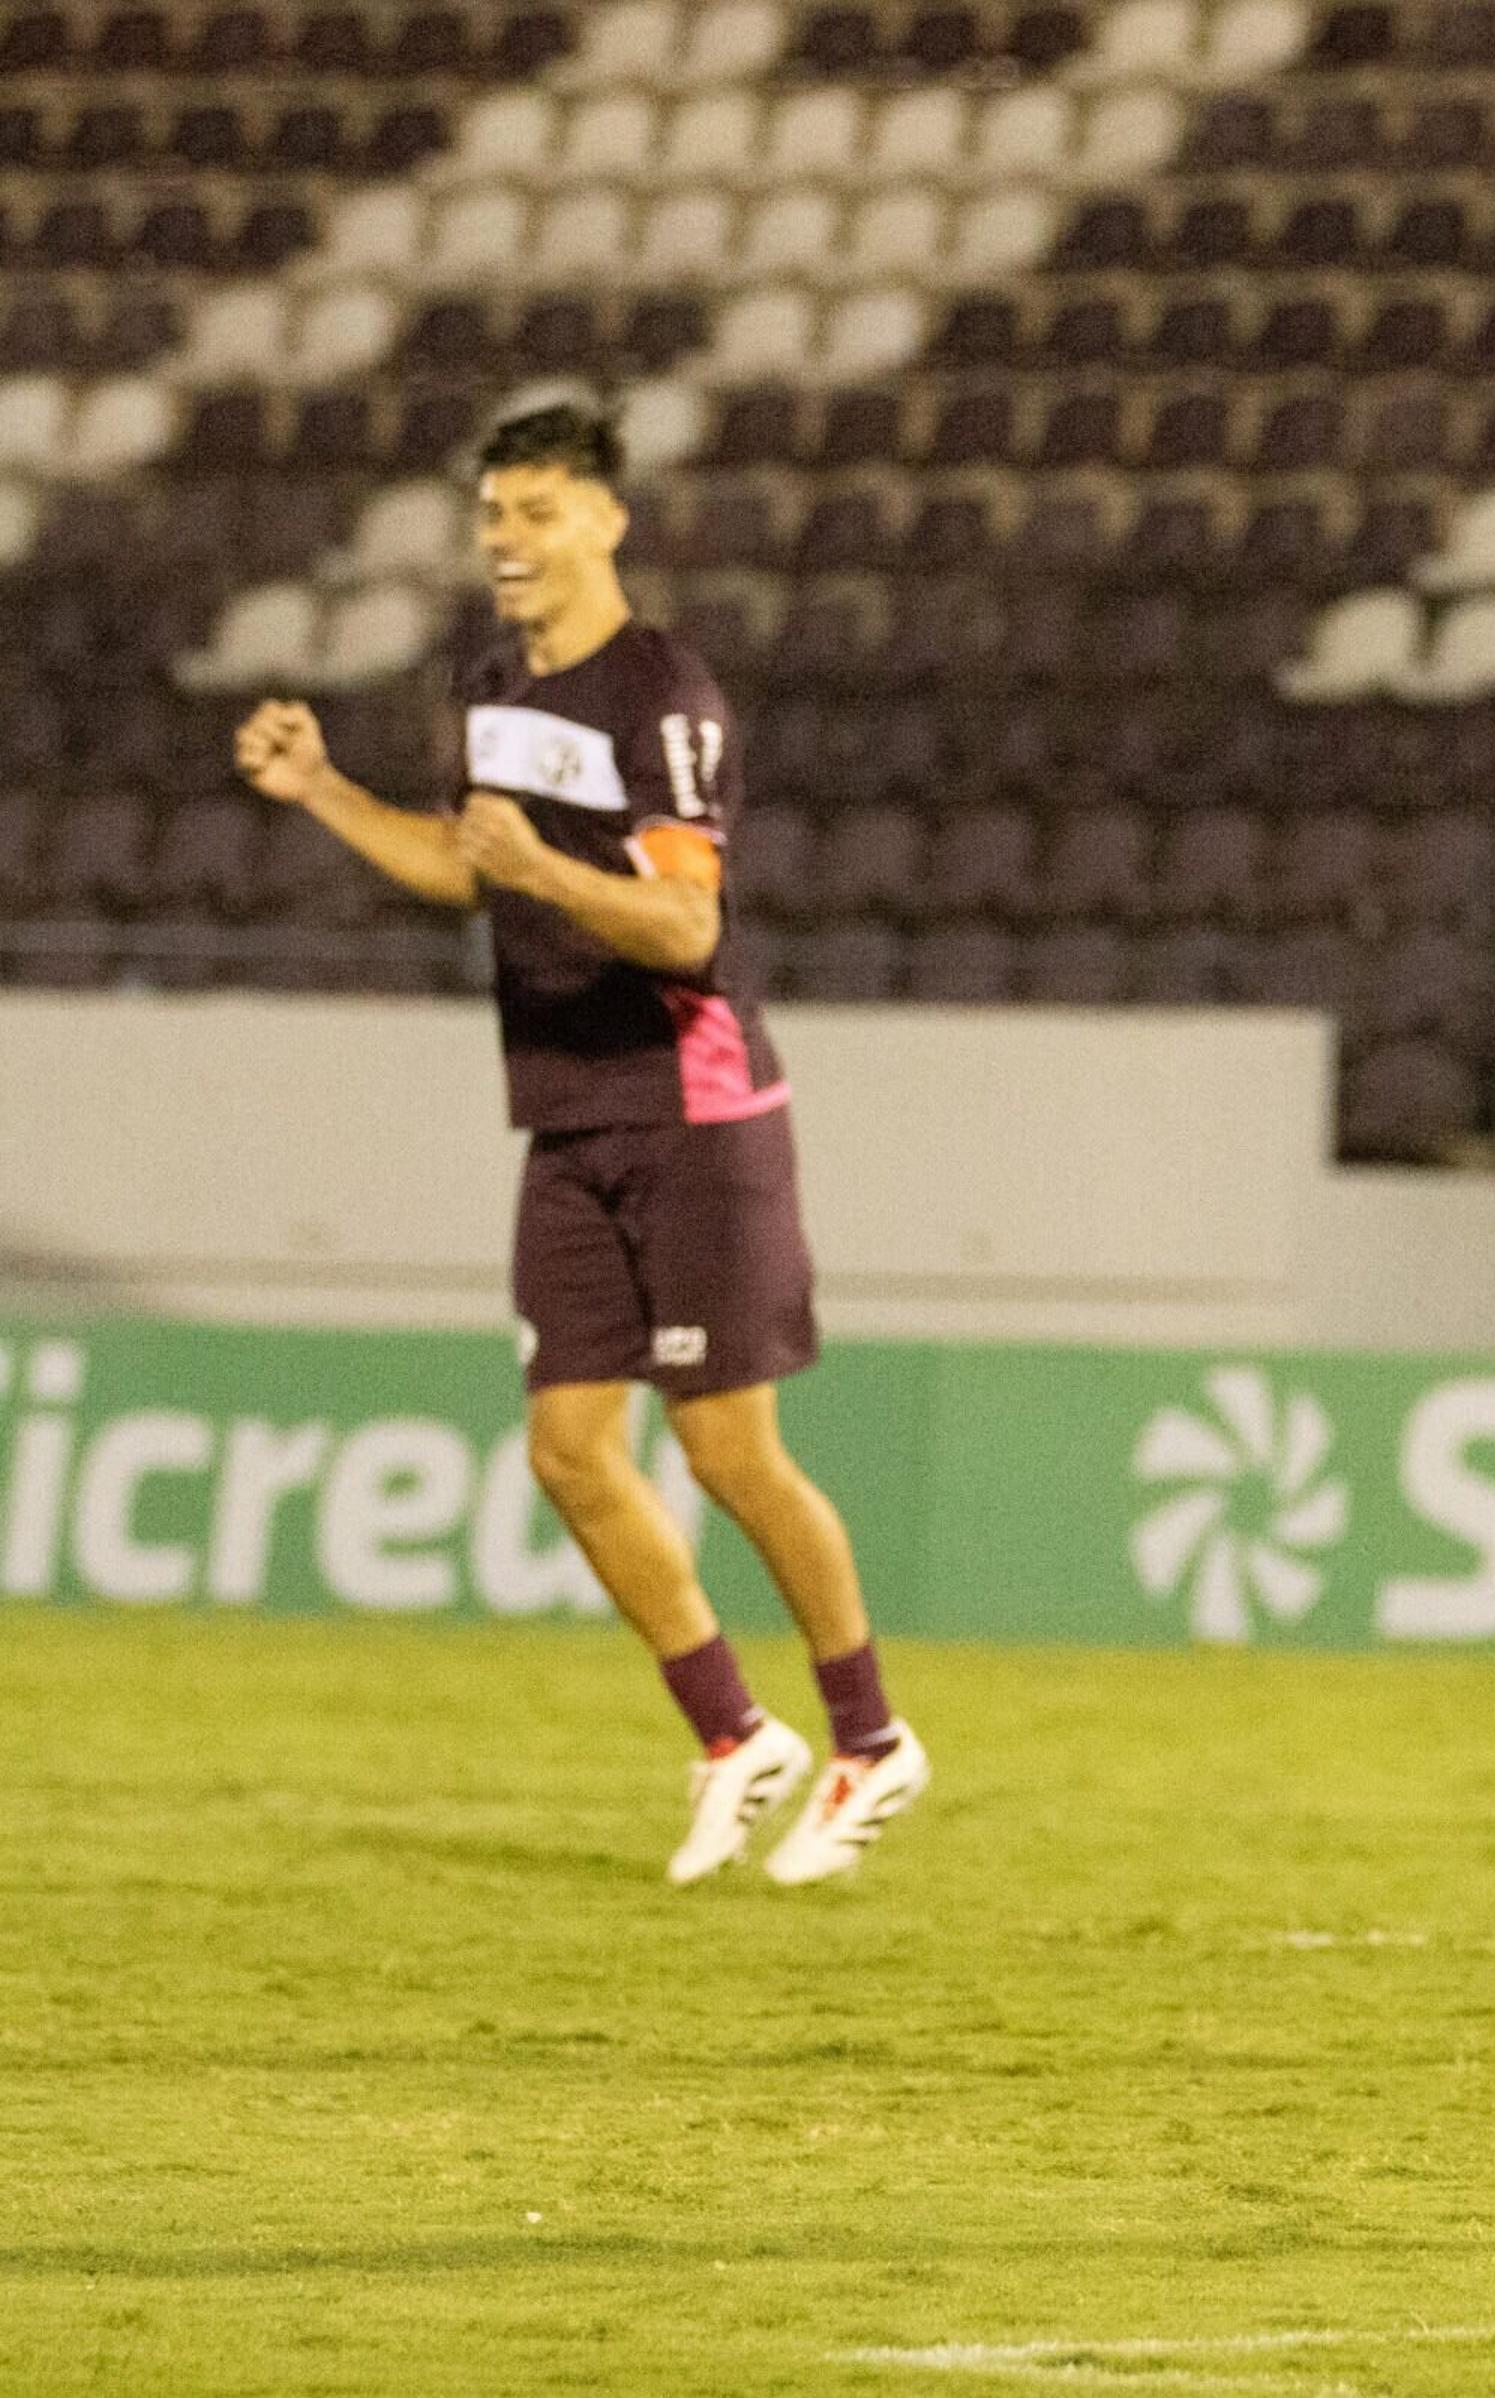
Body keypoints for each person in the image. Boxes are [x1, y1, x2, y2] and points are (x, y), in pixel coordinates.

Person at [229, 403, 926, 1889]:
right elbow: (462, 868)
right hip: (567, 1109)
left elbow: (688, 920)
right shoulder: (487, 681)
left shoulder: (662, 689)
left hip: (694, 1100)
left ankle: (868, 1737)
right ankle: (736, 1735)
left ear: (609, 521)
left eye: (539, 510)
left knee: (727, 1448)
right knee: (567, 1450)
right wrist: (329, 794)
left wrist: (543, 864)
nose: (506, 540)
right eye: (493, 512)